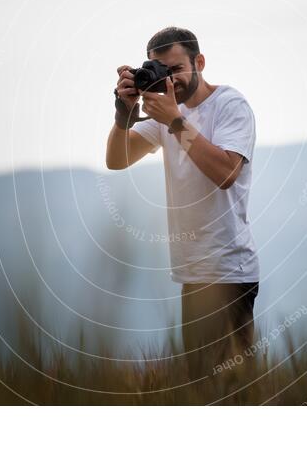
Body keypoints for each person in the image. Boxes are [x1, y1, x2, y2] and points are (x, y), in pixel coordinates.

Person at [105, 26, 260, 380]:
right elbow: (117, 159)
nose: (170, 81)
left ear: (199, 62)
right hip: (192, 273)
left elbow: (226, 173)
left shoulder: (229, 105)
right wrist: (122, 114)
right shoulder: (164, 113)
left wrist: (175, 121)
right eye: (161, 72)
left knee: (233, 392)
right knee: (201, 388)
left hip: (228, 272)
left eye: (176, 69)